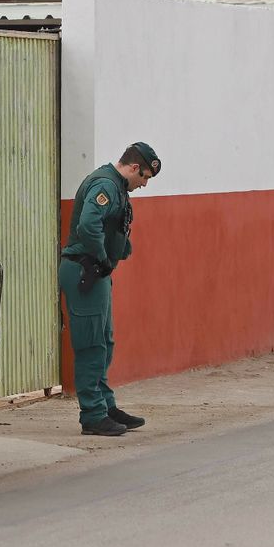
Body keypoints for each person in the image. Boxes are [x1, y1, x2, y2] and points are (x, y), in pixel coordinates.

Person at [59, 142, 160, 436]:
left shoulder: (116, 186)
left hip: (95, 272)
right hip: (85, 270)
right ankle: (92, 415)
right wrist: (103, 258)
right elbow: (89, 226)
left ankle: (105, 405)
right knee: (91, 345)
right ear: (132, 167)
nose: (143, 185)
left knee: (105, 341)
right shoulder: (105, 184)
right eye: (143, 177)